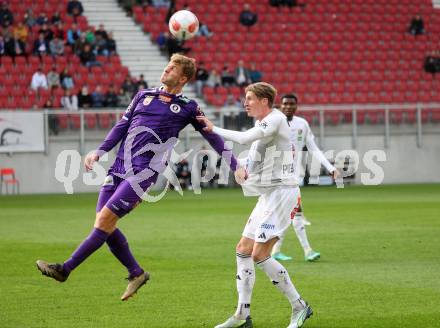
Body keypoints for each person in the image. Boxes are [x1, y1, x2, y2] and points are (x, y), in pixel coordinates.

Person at [36, 54, 238, 302]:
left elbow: (213, 137)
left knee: (104, 222)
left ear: (184, 78)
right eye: (168, 65)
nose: (167, 69)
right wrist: (100, 151)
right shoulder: (143, 96)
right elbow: (121, 126)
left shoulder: (188, 107)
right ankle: (136, 273)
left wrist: (235, 165)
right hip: (118, 168)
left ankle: (64, 270)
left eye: (173, 68)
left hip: (144, 173)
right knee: (104, 224)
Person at [197, 82, 313, 328]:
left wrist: (212, 128)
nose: (245, 103)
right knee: (242, 249)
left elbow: (244, 138)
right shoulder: (264, 125)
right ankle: (242, 314)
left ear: (264, 100)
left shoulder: (275, 118)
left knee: (260, 254)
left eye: (249, 98)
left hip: (283, 193)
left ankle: (300, 306)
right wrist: (242, 170)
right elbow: (253, 156)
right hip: (268, 194)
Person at [271, 94, 340, 261]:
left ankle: (275, 251)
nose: (288, 107)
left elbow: (313, 148)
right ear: (280, 106)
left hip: (292, 176)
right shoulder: (273, 122)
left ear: (296, 106)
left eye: (291, 104)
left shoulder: (302, 124)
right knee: (294, 212)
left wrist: (330, 168)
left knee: (289, 214)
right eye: (285, 104)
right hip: (276, 176)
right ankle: (307, 251)